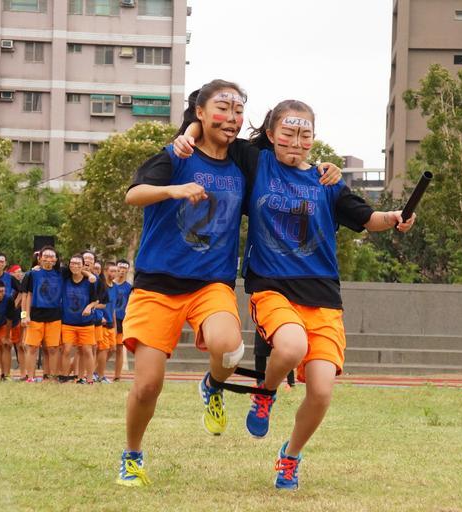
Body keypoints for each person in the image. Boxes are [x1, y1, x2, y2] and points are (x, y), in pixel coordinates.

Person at [174, 98, 411, 490]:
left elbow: (369, 218)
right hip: (272, 287)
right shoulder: (256, 162)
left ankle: (290, 457)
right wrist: (188, 133)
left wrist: (396, 218)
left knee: (321, 392)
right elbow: (216, 129)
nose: (296, 142)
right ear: (270, 134)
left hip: (323, 297)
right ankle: (265, 393)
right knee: (290, 347)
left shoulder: (326, 182)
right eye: (288, 133)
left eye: (305, 135)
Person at [116, 81, 341, 488]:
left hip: (211, 284)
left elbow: (289, 162)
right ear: (200, 112)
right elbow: (134, 194)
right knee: (148, 386)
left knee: (229, 348)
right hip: (157, 285)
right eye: (223, 108)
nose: (233, 118)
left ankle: (213, 384)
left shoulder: (244, 162)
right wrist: (174, 188)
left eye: (239, 111)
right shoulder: (177, 154)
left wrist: (325, 168)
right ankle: (132, 455)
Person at [20, 246, 63, 382]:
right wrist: (24, 316)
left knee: (53, 348)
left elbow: (80, 268)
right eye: (46, 256)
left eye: (52, 256)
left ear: (56, 259)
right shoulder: (32, 274)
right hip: (35, 315)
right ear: (39, 258)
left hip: (54, 315)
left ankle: (51, 377)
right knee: (31, 347)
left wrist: (90, 275)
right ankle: (30, 377)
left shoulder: (62, 273)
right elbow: (26, 296)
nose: (48, 259)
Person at [60, 254, 99, 384]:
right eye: (72, 263)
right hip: (68, 322)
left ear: (83, 265)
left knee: (87, 350)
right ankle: (65, 377)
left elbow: (96, 300)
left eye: (78, 264)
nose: (75, 266)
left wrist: (89, 306)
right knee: (66, 350)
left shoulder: (89, 282)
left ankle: (90, 379)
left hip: (86, 323)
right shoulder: (65, 278)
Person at [95, 261, 117, 383]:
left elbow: (113, 307)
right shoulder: (101, 285)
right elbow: (96, 303)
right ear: (105, 271)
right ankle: (100, 376)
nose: (114, 273)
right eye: (112, 271)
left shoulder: (115, 287)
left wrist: (115, 324)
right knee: (103, 349)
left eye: (115, 271)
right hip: (102, 322)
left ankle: (95, 371)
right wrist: (100, 316)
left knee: (112, 349)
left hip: (110, 323)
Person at [112, 259, 132, 382]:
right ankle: (96, 372)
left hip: (121, 320)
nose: (122, 271)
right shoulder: (109, 284)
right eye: (120, 268)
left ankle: (117, 376)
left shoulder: (129, 288)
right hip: (108, 320)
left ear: (128, 270)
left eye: (125, 268)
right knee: (106, 348)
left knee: (119, 348)